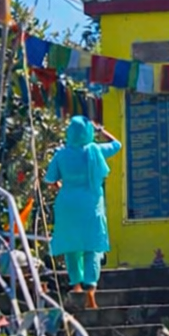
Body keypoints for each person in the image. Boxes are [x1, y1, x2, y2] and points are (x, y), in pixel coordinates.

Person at [45, 115, 121, 309]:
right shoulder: (95, 150)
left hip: (68, 204)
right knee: (92, 248)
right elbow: (117, 144)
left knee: (72, 247)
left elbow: (50, 180)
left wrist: (63, 185)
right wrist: (100, 131)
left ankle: (76, 285)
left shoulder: (61, 155)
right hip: (91, 204)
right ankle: (91, 291)